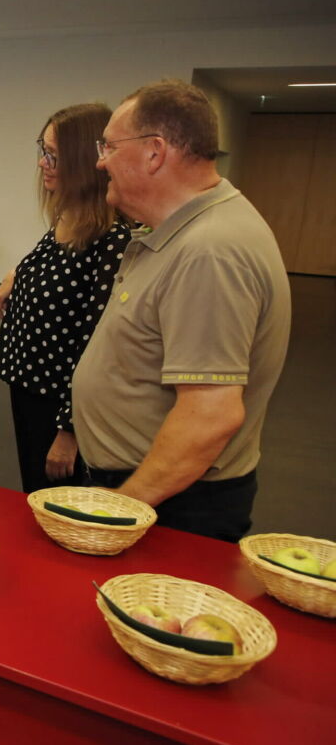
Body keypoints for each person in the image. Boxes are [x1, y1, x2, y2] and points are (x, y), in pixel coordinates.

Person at [74, 79, 291, 542]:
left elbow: (210, 414)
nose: (100, 161)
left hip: (171, 502)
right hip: (157, 488)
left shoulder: (210, 250)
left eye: (109, 146)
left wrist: (121, 509)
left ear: (155, 152)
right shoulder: (180, 232)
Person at [0, 104, 129, 492]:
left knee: (56, 507)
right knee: (34, 495)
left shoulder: (112, 240)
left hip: (62, 407)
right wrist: (18, 276)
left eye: (53, 155)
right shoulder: (67, 220)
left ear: (85, 162)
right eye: (43, 150)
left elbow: (97, 349)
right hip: (31, 392)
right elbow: (57, 273)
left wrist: (69, 431)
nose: (42, 163)